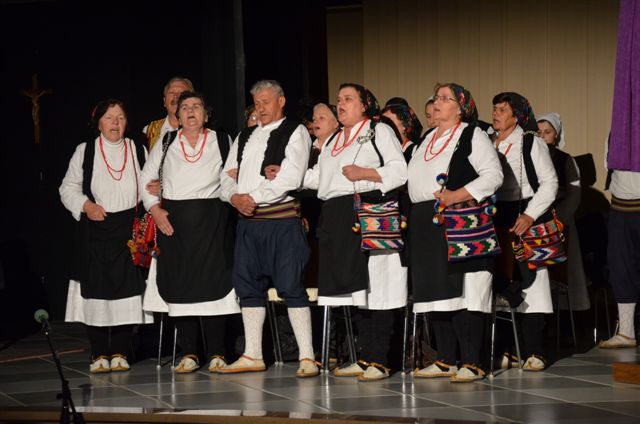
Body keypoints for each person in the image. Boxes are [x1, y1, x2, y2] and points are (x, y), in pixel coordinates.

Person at [303, 83, 408, 381]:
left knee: (378, 285)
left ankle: (381, 359)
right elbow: (320, 179)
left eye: (348, 99)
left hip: (369, 212)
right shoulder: (335, 139)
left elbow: (400, 171)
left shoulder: (378, 131)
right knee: (355, 289)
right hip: (337, 216)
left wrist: (366, 173)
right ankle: (365, 357)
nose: (341, 104)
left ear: (364, 105)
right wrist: (286, 174)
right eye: (338, 99)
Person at [218, 80, 318, 378]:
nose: (260, 108)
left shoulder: (295, 131)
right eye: (257, 103)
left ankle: (307, 356)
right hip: (249, 225)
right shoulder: (244, 136)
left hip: (281, 223)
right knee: (248, 287)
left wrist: (252, 197)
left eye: (266, 102)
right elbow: (225, 177)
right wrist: (234, 197)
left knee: (290, 286)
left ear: (281, 101)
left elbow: (291, 177)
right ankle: (253, 354)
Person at [407, 83, 503, 382]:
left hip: (459, 221)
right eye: (436, 97)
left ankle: (472, 361)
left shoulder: (472, 134)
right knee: (437, 292)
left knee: (466, 292)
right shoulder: (426, 138)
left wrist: (455, 195)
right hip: (426, 223)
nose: (437, 102)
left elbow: (494, 175)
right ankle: (446, 359)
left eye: (445, 98)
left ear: (461, 108)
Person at [139, 91, 240, 373]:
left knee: (214, 287)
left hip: (213, 223)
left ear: (206, 114)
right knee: (180, 287)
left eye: (197, 106)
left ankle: (218, 352)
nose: (191, 111)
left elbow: (233, 177)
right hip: (175, 226)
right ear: (178, 115)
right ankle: (190, 353)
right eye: (185, 107)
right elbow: (145, 179)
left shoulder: (223, 140)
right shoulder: (167, 141)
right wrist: (155, 210)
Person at [60, 99, 152, 373]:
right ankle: (99, 353)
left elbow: (148, 185)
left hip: (128, 231)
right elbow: (68, 187)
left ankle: (121, 350)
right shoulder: (85, 151)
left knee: (128, 293)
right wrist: (86, 206)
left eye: (120, 117)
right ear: (98, 122)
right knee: (96, 293)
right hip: (96, 229)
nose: (115, 123)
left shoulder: (137, 149)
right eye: (109, 117)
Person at [491, 92, 558, 371]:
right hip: (497, 215)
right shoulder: (488, 141)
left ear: (516, 116)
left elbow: (550, 183)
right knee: (502, 283)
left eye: (502, 110)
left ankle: (535, 350)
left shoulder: (530, 142)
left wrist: (530, 215)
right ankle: (508, 349)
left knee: (533, 282)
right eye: (495, 109)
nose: (496, 114)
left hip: (526, 212)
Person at [536, 113, 590, 312]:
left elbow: (574, 195)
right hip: (533, 221)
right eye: (539, 132)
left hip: (559, 222)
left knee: (561, 272)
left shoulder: (565, 160)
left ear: (556, 135)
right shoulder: (529, 158)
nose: (542, 136)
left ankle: (564, 315)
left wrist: (557, 218)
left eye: (547, 132)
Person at [598, 141, 640, 348]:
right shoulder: (617, 131)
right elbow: (609, 163)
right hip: (621, 207)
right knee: (620, 268)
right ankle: (626, 331)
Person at [144, 77, 194, 151]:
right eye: (171, 93)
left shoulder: (201, 131)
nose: (176, 96)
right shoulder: (149, 131)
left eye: (181, 93)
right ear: (164, 101)